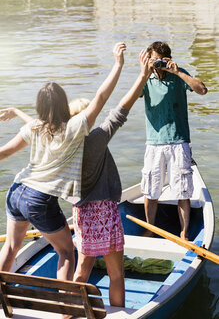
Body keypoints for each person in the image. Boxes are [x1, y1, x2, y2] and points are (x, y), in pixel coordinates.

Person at [0, 48, 150, 308]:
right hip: (57, 202)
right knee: (71, 255)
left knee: (12, 248)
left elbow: (5, 150)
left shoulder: (35, 127)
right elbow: (105, 98)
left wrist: (16, 112)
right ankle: (66, 310)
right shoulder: (79, 133)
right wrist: (123, 66)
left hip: (18, 191)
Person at [140, 41, 208, 240]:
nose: (158, 64)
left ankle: (184, 233)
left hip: (179, 141)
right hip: (154, 142)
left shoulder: (179, 74)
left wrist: (178, 72)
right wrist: (145, 71)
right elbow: (133, 96)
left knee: (183, 191)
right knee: (150, 190)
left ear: (168, 59)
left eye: (162, 60)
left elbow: (202, 90)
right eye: (155, 60)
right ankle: (150, 229)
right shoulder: (146, 78)